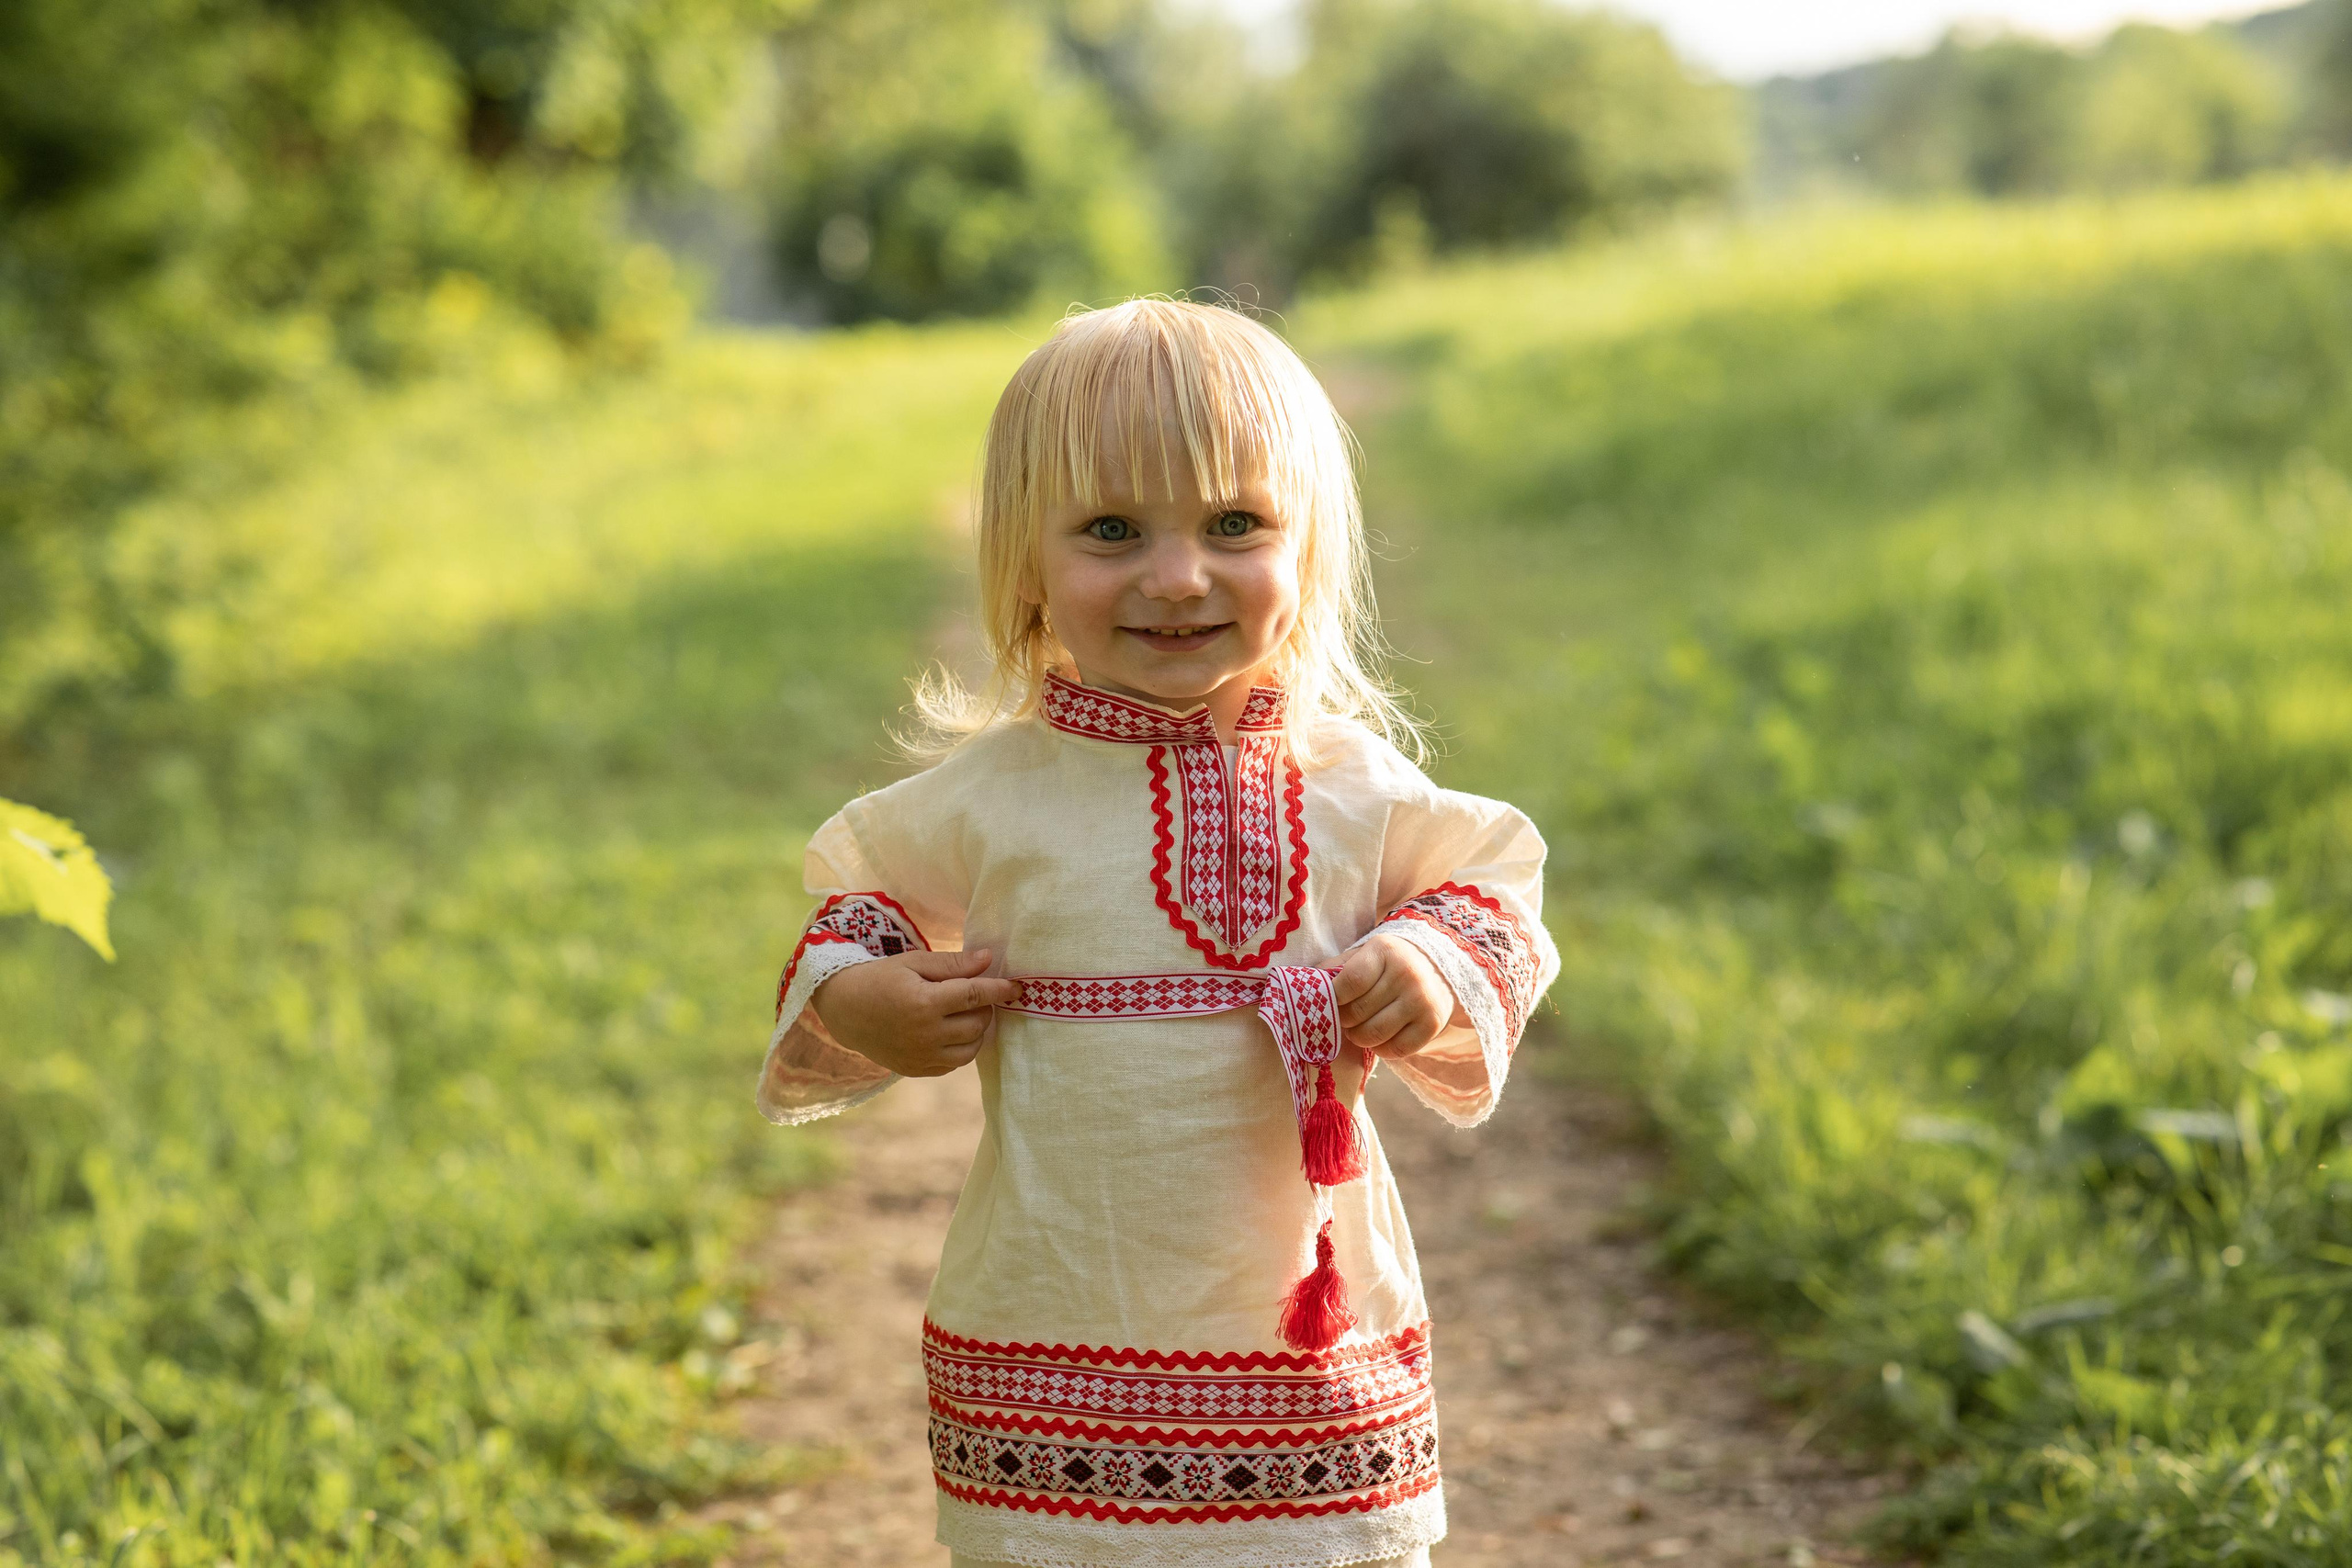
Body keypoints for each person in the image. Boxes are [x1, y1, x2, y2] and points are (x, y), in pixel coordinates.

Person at [758, 297, 1558, 1568]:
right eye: (1112, 530)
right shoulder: (993, 796)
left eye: (1234, 525)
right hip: (1054, 1325)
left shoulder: (1349, 785)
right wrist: (863, 1000)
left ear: (1306, 547)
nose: (1178, 577)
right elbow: (855, 908)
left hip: (1297, 1337)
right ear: (1024, 561)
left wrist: (1432, 960)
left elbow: (1492, 878)